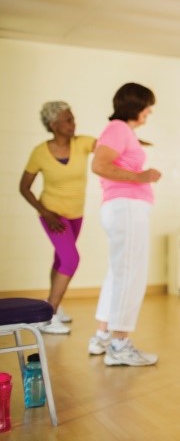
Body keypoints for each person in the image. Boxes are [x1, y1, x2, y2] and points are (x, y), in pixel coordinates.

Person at [88, 83, 161, 367]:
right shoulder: (118, 128)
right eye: (147, 106)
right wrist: (141, 177)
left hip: (121, 208)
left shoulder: (121, 130)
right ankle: (119, 343)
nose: (149, 112)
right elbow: (99, 165)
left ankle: (103, 336)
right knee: (130, 274)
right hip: (127, 208)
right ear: (136, 105)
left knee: (118, 273)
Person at [19, 101, 96, 334]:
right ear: (54, 124)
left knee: (61, 260)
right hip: (52, 214)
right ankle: (48, 315)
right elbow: (24, 187)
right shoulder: (40, 152)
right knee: (71, 260)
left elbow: (110, 146)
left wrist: (131, 139)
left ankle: (55, 306)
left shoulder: (82, 143)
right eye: (68, 119)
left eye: (73, 118)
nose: (74, 123)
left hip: (76, 215)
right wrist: (45, 212)